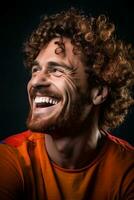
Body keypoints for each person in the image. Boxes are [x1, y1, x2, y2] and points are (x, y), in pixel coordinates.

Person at [0, 8, 134, 200]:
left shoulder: (127, 169)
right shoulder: (10, 157)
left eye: (57, 70)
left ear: (98, 92)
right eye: (35, 70)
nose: (36, 82)